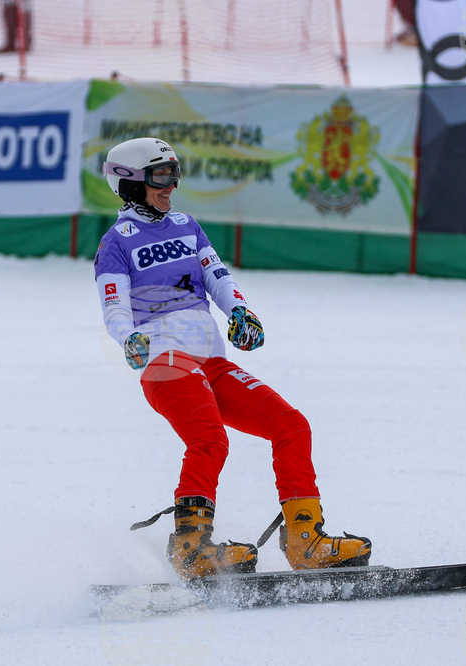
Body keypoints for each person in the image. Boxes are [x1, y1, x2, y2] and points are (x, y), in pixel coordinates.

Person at [93, 137, 371, 580]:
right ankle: (190, 548)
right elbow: (114, 305)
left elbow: (217, 276)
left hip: (210, 362)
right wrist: (129, 338)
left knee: (291, 425)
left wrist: (239, 310)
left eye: (175, 173)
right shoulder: (116, 243)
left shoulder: (187, 225)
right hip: (166, 362)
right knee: (210, 439)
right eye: (161, 175)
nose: (172, 185)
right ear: (129, 183)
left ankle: (306, 542)